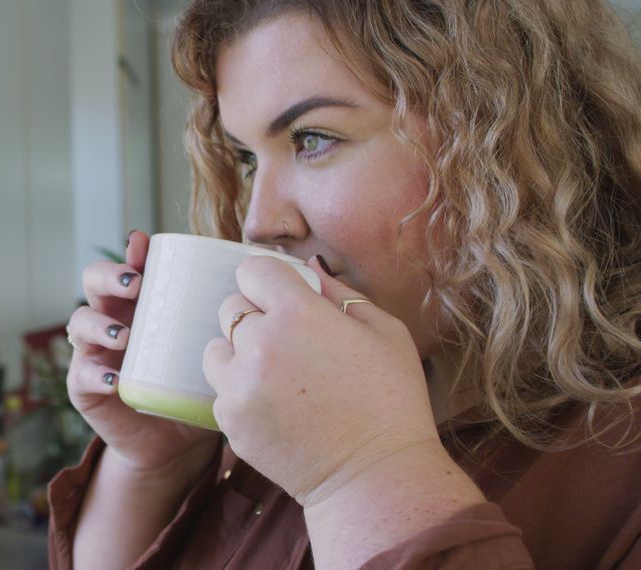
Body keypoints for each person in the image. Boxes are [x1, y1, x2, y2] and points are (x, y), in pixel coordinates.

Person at [54, 0, 641, 568]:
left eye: (311, 138)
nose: (259, 222)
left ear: (507, 141)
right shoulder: (280, 405)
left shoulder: (618, 465)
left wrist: (364, 471)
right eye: (248, 159)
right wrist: (155, 468)